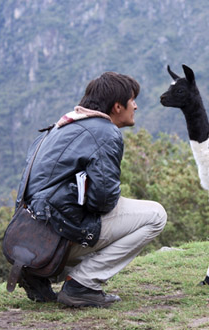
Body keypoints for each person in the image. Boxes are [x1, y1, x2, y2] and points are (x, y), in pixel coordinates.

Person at [15, 72, 167, 308]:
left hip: (29, 237)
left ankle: (39, 273)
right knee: (156, 216)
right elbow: (103, 201)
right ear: (117, 106)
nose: (135, 106)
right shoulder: (105, 132)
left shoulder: (60, 126)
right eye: (132, 101)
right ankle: (82, 285)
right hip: (60, 235)